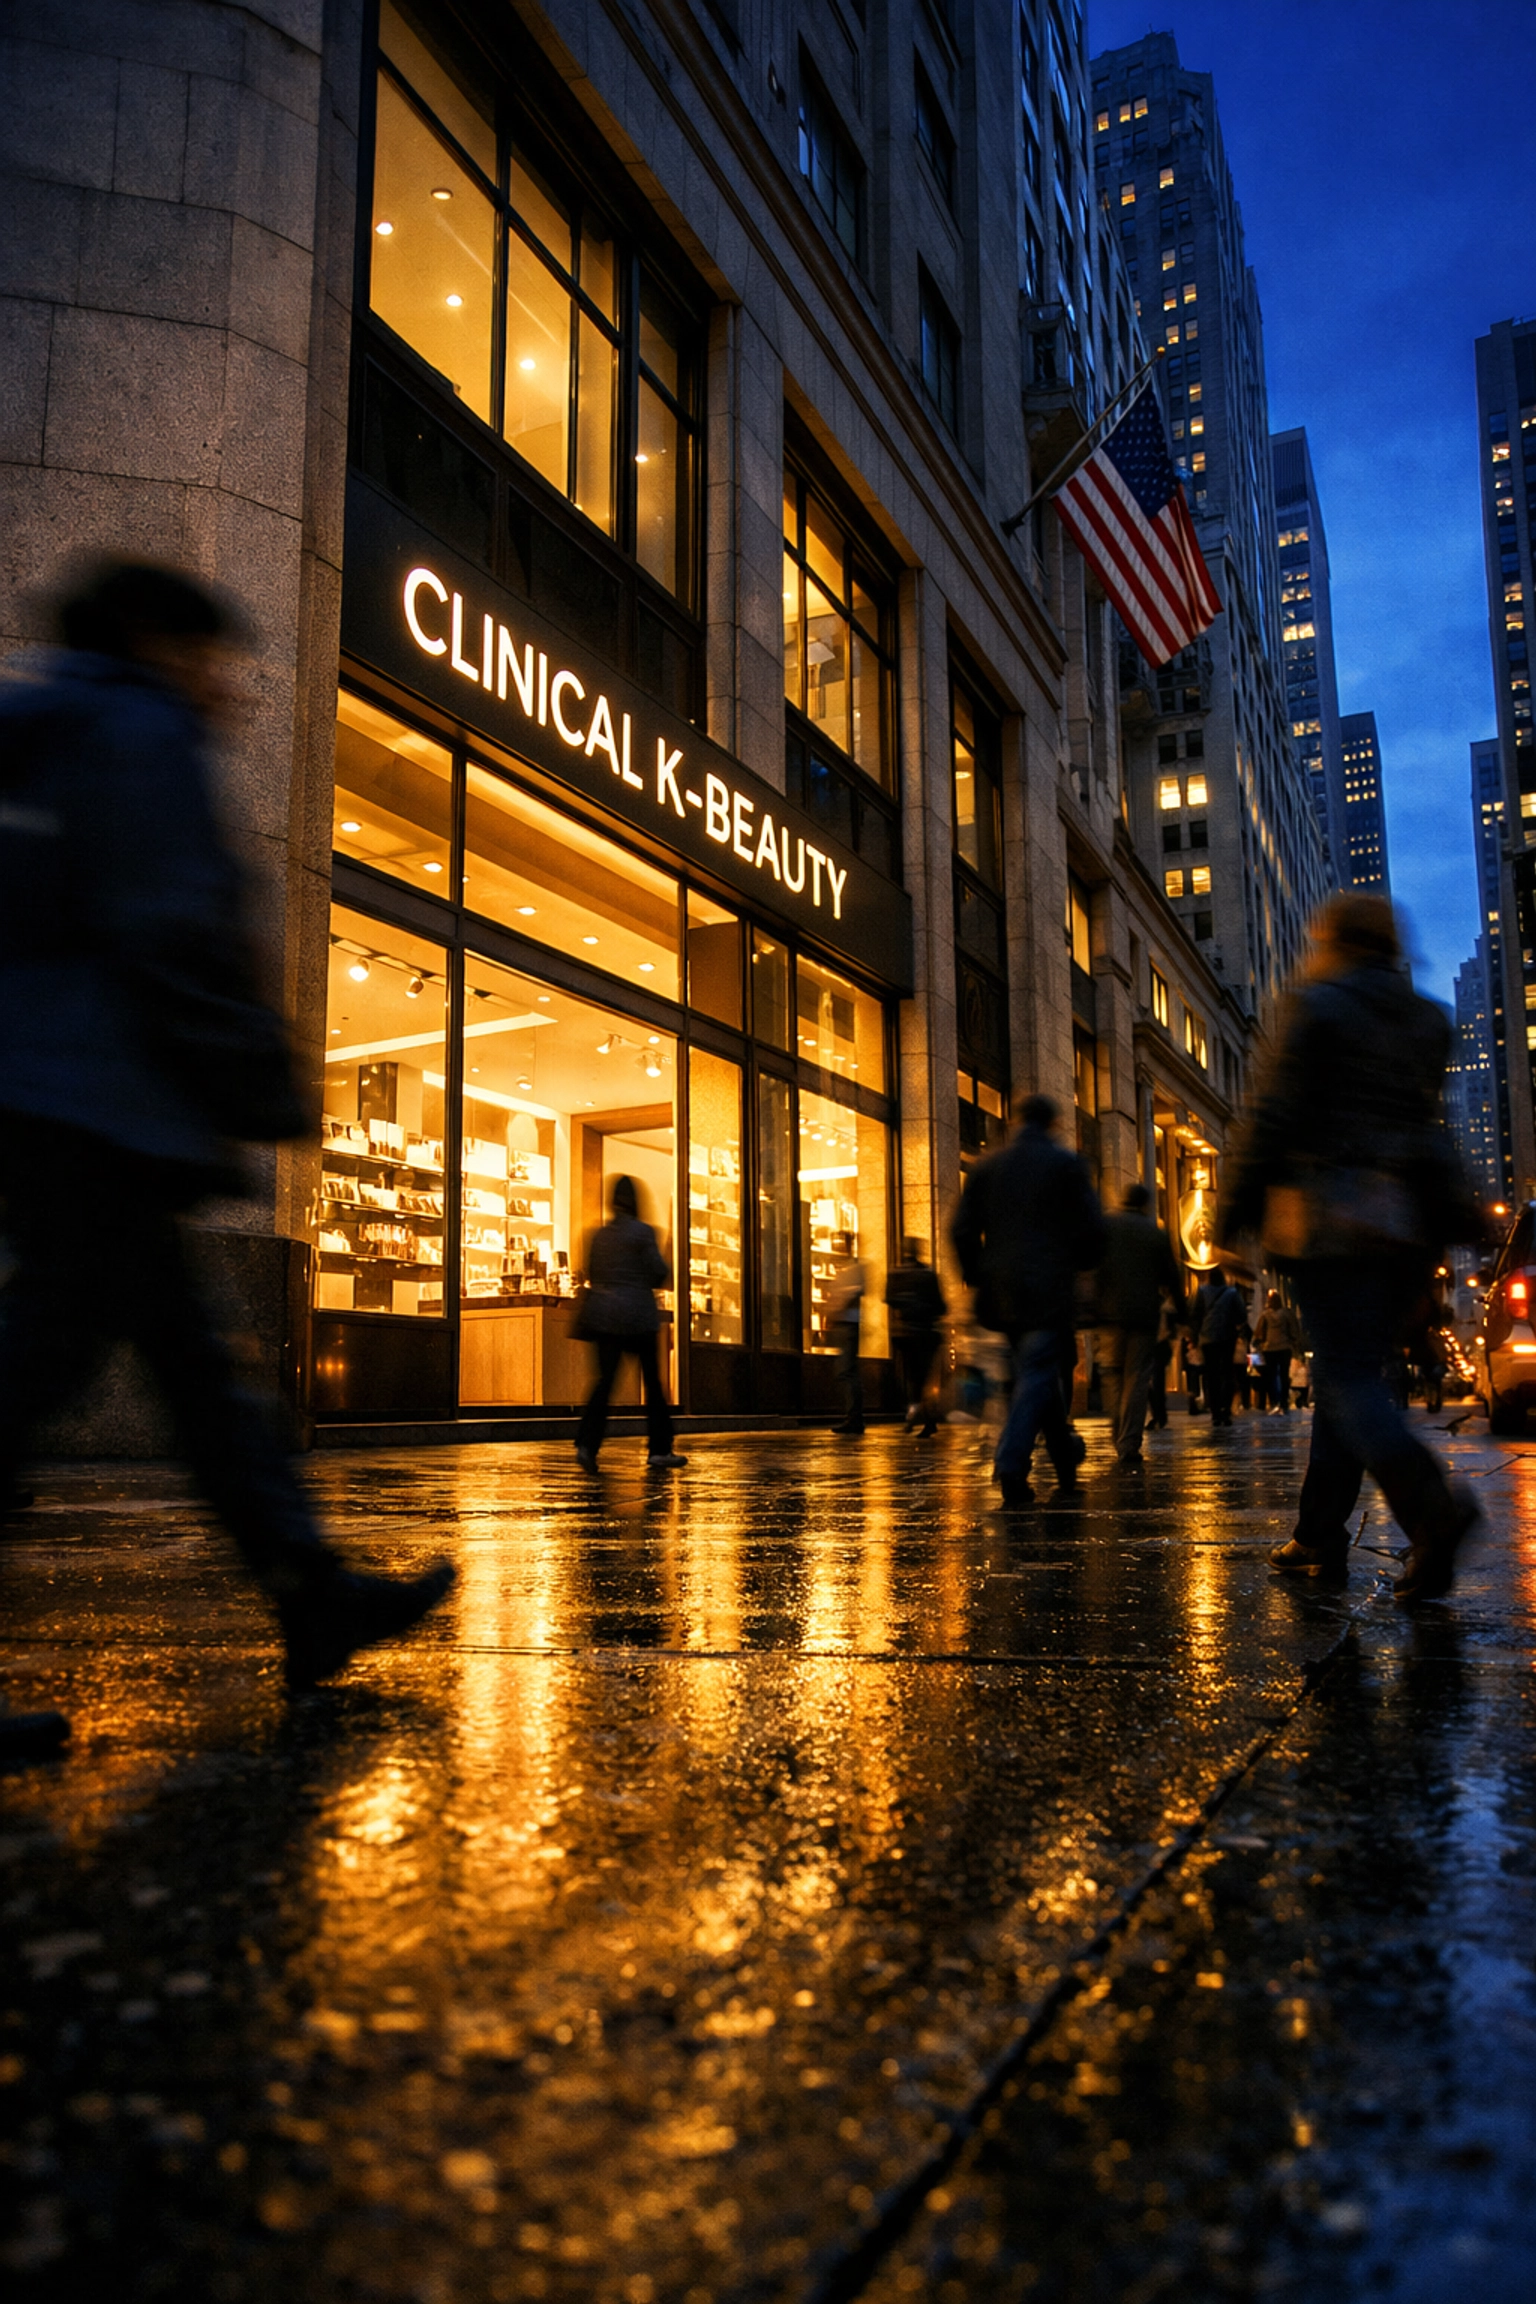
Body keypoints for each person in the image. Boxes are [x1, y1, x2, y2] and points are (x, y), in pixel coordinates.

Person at [0, 558, 454, 1757]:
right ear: (157, 639)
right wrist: (256, 1070)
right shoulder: (137, 729)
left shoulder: (38, 724)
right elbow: (170, 921)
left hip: (50, 1093)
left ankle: (312, 1593)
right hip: (98, 1099)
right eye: (211, 657)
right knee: (46, 1363)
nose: (226, 686)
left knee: (191, 1371)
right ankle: (312, 1593)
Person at [1220, 891, 1480, 1598]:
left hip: (1333, 1216)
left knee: (1346, 1380)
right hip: (1406, 1222)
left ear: (1332, 939)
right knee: (1350, 1376)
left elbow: (1273, 1113)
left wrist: (1231, 1209)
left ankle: (1435, 1506)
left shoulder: (1317, 1003)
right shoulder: (1426, 1018)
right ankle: (1317, 1536)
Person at [952, 1093, 1105, 1508]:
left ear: (1016, 1122)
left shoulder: (987, 1167)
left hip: (1001, 1291)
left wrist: (978, 1274)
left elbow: (962, 1230)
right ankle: (1011, 1463)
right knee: (1038, 1372)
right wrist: (1079, 1266)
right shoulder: (1067, 1165)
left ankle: (1065, 1461)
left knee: (1035, 1374)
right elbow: (1092, 1231)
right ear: (1053, 1123)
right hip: (1050, 1287)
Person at [575, 1175, 686, 1469]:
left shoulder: (598, 1235)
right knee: (652, 1382)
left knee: (605, 1382)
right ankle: (659, 1448)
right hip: (637, 1315)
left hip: (602, 1315)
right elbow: (658, 1271)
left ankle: (588, 1442)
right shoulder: (643, 1232)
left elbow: (591, 1271)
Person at [1093, 1182, 1181, 1469]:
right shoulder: (1154, 1233)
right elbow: (1172, 1276)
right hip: (1143, 1316)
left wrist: (1092, 1307)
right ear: (1144, 1204)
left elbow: (1092, 1268)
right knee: (1136, 1377)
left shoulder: (1105, 1227)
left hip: (1110, 1316)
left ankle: (1118, 1430)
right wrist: (1182, 1314)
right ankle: (1128, 1441)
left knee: (1113, 1374)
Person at [886, 1237, 947, 1436]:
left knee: (913, 1377)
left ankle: (917, 1414)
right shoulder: (927, 1274)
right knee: (925, 1377)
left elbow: (889, 1299)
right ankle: (926, 1418)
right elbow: (940, 1305)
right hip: (926, 1332)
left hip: (906, 1331)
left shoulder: (896, 1274)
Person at [825, 1233, 867, 1433]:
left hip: (847, 1324)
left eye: (842, 1243)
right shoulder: (846, 1269)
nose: (838, 1247)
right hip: (844, 1324)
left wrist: (837, 1305)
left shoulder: (856, 1268)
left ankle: (854, 1418)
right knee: (845, 1371)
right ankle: (853, 1417)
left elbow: (853, 1292)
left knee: (847, 1371)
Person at [1194, 1272, 1248, 1427]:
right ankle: (1226, 1411)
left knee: (1212, 1375)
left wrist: (1197, 1333)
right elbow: (1241, 1314)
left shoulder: (1202, 1291)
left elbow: (1196, 1313)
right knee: (1227, 1372)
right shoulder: (1232, 1292)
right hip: (1227, 1337)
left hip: (1207, 1338)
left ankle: (1215, 1412)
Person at [1252, 1290, 1305, 1412]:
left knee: (1270, 1375)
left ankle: (1273, 1400)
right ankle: (1284, 1400)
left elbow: (1259, 1333)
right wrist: (1295, 1343)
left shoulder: (1265, 1315)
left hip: (1269, 1348)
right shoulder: (1287, 1314)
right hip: (1284, 1347)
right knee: (1284, 1374)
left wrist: (1258, 1343)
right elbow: (1294, 1330)